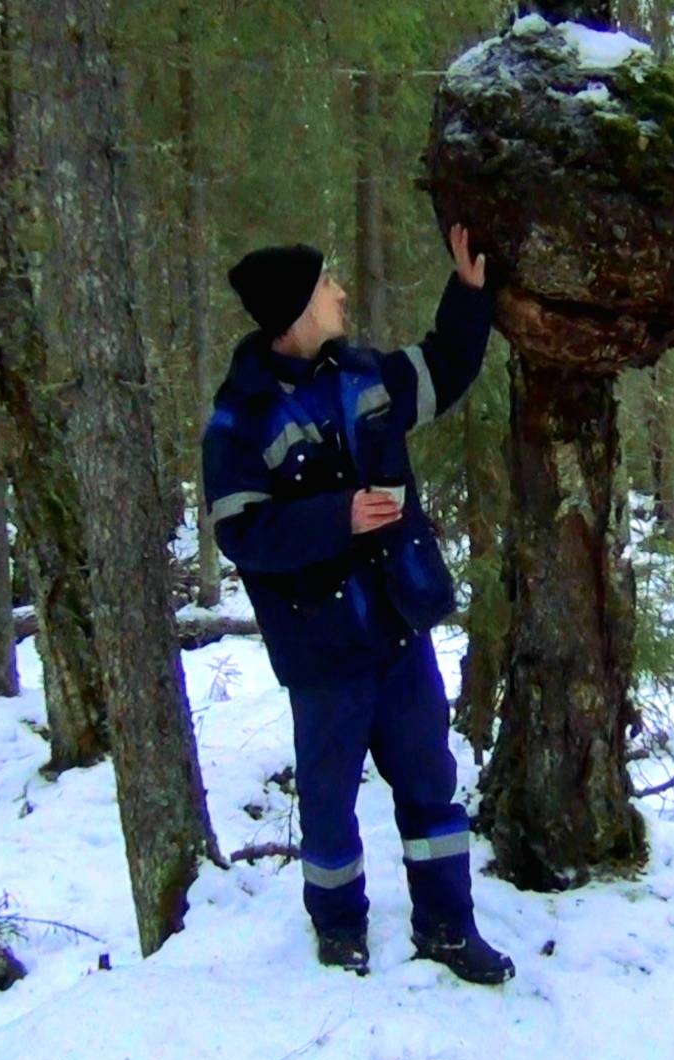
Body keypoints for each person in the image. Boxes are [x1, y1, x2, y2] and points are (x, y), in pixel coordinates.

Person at [202, 224, 514, 985]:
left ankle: (447, 926)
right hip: (322, 648)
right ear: (295, 311)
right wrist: (337, 516)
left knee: (430, 784)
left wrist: (469, 292)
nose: (340, 293)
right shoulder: (238, 418)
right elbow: (242, 532)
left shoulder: (364, 375)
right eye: (326, 285)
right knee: (329, 801)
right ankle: (339, 930)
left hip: (398, 626)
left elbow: (443, 366)